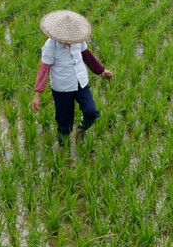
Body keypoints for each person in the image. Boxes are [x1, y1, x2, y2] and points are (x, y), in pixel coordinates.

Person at [31, 10, 113, 147]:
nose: (69, 40)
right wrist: (37, 95)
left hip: (81, 83)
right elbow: (44, 69)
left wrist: (101, 71)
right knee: (64, 122)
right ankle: (64, 150)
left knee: (91, 111)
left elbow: (87, 56)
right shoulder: (50, 46)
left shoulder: (77, 40)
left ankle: (82, 129)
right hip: (62, 88)